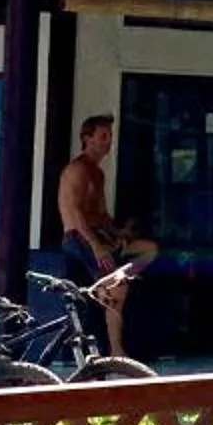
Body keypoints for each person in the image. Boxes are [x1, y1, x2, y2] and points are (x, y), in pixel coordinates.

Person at [56, 114, 157, 353]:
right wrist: (96, 246)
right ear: (87, 138)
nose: (108, 141)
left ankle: (112, 282)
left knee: (148, 249)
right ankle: (116, 350)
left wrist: (118, 232)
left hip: (100, 235)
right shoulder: (76, 170)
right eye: (103, 136)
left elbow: (101, 214)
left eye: (110, 136)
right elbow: (76, 213)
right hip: (79, 239)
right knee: (118, 289)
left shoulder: (98, 173)